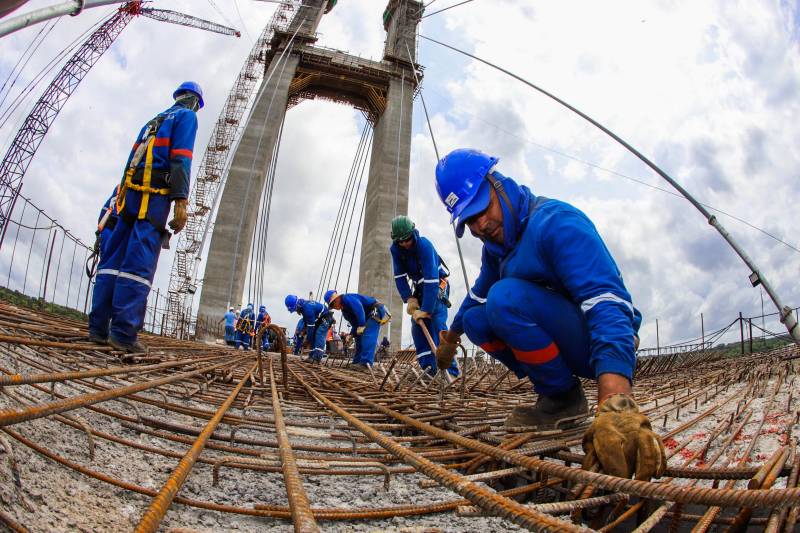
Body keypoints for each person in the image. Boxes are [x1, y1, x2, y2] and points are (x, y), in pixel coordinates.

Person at [433, 148, 665, 481]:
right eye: (469, 219)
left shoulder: (556, 223)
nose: (480, 224)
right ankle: (561, 396)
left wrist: (615, 399)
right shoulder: (496, 251)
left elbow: (606, 303)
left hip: (600, 346)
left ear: (498, 185)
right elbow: (475, 296)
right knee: (476, 320)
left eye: (482, 207)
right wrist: (452, 337)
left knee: (504, 298)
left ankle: (562, 394)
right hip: (564, 340)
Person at [87, 81, 203, 353]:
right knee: (139, 263)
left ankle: (98, 328)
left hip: (128, 198)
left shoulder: (153, 120)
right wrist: (180, 202)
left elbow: (130, 161)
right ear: (196, 102)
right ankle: (124, 334)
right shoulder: (187, 117)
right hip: (154, 197)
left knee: (112, 260)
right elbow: (181, 159)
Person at [389, 215, 459, 377]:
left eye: (407, 239)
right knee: (418, 328)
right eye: (401, 241)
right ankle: (430, 370)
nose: (405, 244)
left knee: (437, 324)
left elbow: (431, 280)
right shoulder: (395, 250)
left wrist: (427, 309)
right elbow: (399, 277)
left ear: (413, 233)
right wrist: (409, 298)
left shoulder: (424, 245)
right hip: (419, 289)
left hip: (436, 286)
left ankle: (451, 371)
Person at [324, 289, 389, 369]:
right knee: (358, 337)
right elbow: (355, 325)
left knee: (367, 334)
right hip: (367, 316)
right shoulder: (345, 313)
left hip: (375, 309)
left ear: (337, 298)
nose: (334, 307)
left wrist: (361, 325)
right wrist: (351, 335)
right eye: (332, 306)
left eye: (333, 303)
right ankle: (357, 361)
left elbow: (359, 308)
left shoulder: (347, 298)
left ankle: (366, 363)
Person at [285, 294, 330, 363]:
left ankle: (317, 358)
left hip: (325, 319)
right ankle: (311, 356)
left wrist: (306, 340)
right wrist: (303, 332)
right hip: (319, 319)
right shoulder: (304, 307)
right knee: (312, 336)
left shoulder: (307, 309)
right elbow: (307, 322)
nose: (296, 312)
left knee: (319, 334)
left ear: (297, 306)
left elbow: (311, 329)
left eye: (295, 310)